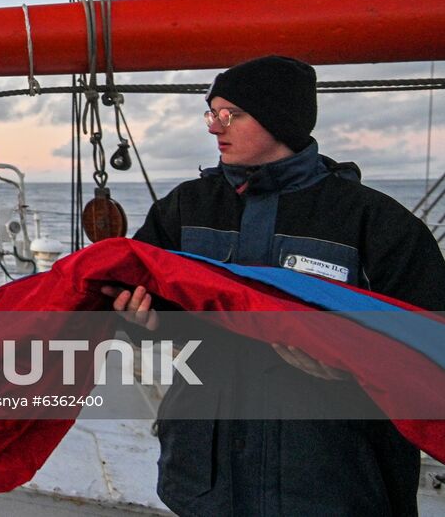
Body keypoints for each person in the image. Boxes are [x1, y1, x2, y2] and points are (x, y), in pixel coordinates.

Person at [107, 54, 445, 516]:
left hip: (332, 484)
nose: (214, 127)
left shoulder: (373, 221)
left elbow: (429, 351)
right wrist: (142, 321)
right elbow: (152, 308)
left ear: (279, 120)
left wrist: (352, 372)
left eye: (231, 115)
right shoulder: (186, 208)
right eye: (212, 113)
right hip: (207, 479)